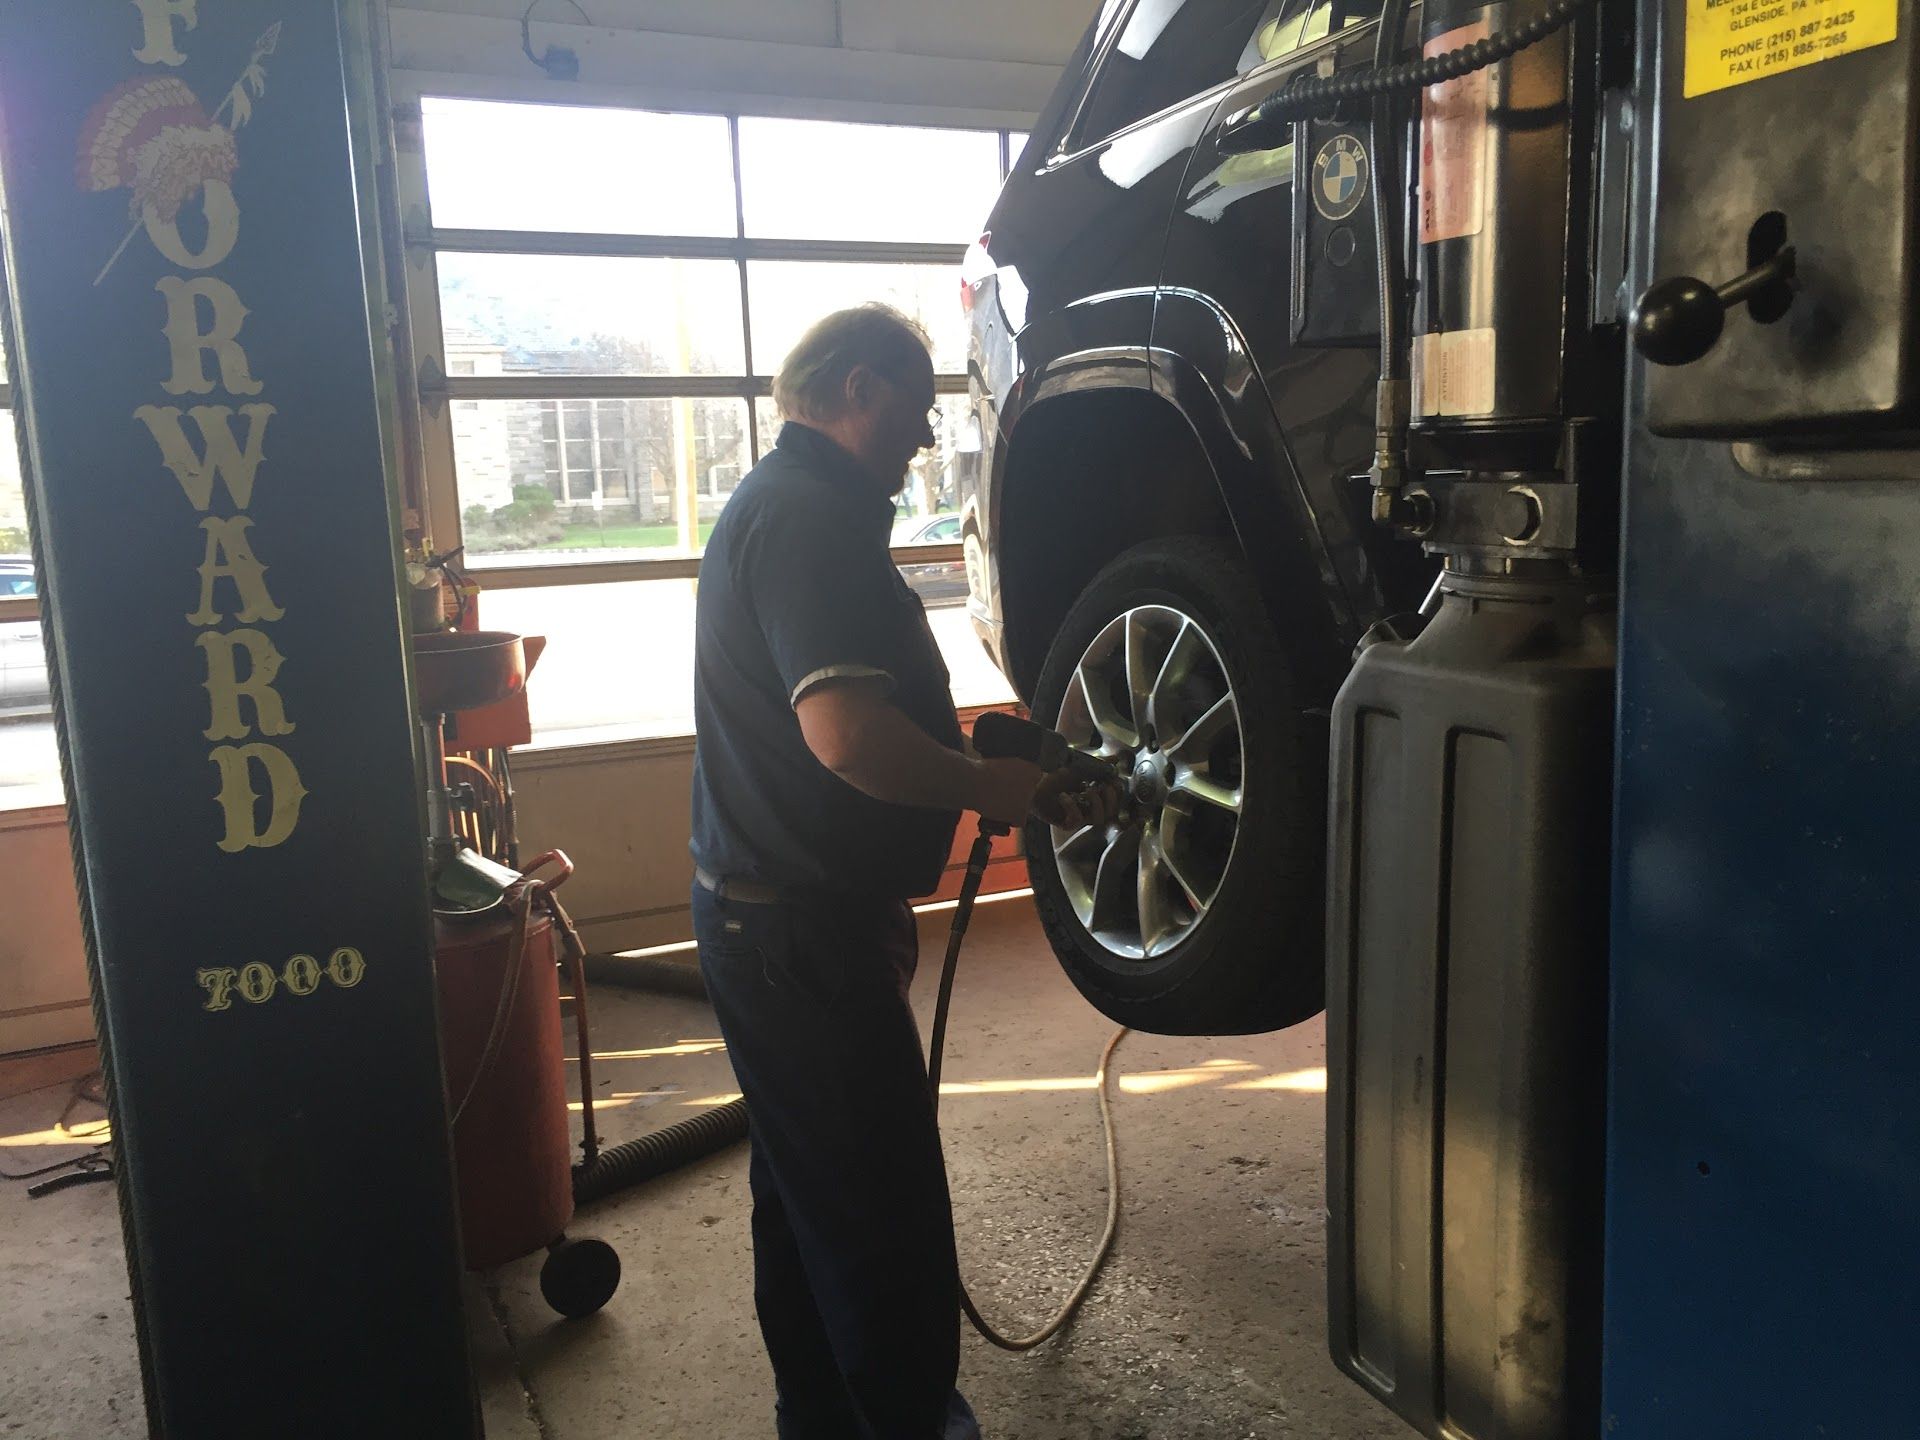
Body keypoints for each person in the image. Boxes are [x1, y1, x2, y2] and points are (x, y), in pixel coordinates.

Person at [689, 304, 1117, 1439]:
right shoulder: (808, 522)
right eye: (917, 416)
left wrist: (970, 749)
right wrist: (991, 793)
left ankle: (823, 1418)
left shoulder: (790, 505)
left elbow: (842, 727)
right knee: (881, 1216)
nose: (920, 442)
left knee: (804, 1197)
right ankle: (908, 1423)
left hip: (777, 918)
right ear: (863, 389)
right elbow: (844, 736)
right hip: (796, 939)